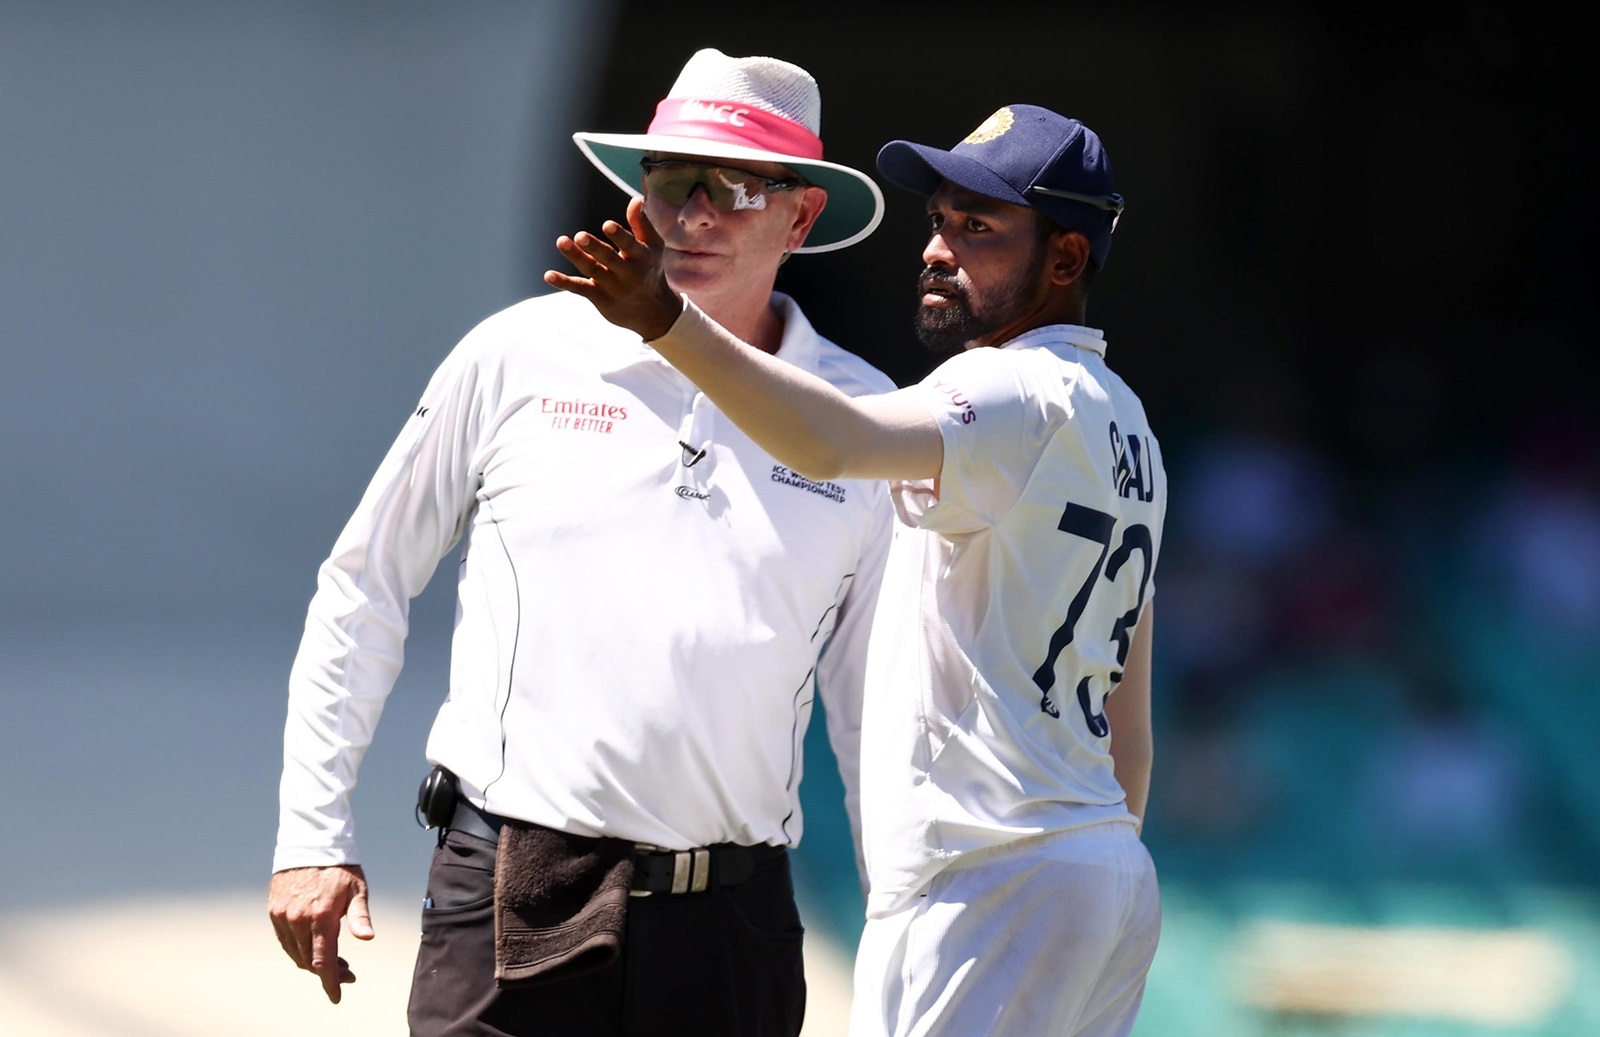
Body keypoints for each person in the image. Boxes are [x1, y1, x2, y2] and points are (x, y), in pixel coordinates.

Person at [268, 47, 898, 1037]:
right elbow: (366, 580)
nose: (691, 213)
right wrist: (310, 833)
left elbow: (877, 705)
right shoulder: (519, 351)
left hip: (730, 929)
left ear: (801, 214)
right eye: (668, 180)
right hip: (507, 887)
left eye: (730, 186)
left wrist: (895, 926)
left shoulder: (865, 419)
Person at [547, 103, 1166, 1037]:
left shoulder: (1004, 387)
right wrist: (1088, 873)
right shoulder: (1130, 426)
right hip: (1101, 871)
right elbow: (1131, 728)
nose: (938, 248)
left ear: (1067, 259)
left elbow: (833, 442)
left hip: (987, 875)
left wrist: (667, 320)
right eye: (940, 220)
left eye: (979, 228)